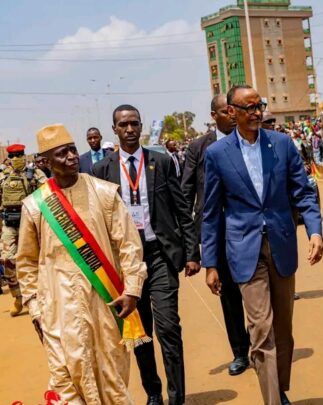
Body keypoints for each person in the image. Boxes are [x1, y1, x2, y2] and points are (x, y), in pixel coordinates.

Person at [202, 85, 323, 405]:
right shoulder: (217, 154)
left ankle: (279, 388)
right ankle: (273, 400)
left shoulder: (281, 145)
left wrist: (315, 232)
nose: (258, 113)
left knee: (283, 328)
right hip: (244, 251)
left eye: (260, 106)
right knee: (260, 328)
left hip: (281, 245)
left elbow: (304, 193)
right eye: (250, 108)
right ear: (232, 113)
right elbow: (211, 212)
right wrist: (210, 263)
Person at [17, 123, 148, 403]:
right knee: (66, 381)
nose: (72, 157)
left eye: (73, 150)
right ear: (45, 162)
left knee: (112, 380)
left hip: (106, 304)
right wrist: (35, 308)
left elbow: (129, 246)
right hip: (57, 311)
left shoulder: (104, 193)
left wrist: (133, 289)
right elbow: (26, 262)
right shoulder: (35, 206)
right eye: (62, 154)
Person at [93, 104, 197, 405]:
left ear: (140, 127)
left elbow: (181, 207)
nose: (129, 129)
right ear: (114, 129)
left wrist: (192, 252)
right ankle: (153, 393)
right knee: (140, 333)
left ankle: (177, 397)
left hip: (160, 254)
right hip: (127, 263)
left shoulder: (161, 162)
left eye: (134, 124)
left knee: (168, 328)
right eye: (123, 125)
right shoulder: (103, 170)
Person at [181, 94, 251, 376]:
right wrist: (191, 247)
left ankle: (261, 346)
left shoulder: (251, 138)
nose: (233, 115)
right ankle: (240, 352)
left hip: (248, 228)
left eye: (235, 110)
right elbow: (186, 192)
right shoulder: (199, 147)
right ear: (214, 115)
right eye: (226, 111)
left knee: (256, 291)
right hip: (216, 231)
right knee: (230, 295)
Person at [0, 144, 46, 315]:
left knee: (40, 258)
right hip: (9, 224)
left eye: (20, 155)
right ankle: (18, 297)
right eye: (13, 156)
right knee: (7, 260)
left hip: (31, 221)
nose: (16, 159)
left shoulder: (35, 174)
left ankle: (40, 295)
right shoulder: (3, 176)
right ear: (9, 158)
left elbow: (48, 193)